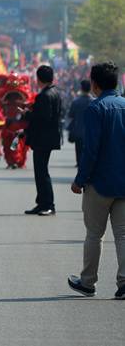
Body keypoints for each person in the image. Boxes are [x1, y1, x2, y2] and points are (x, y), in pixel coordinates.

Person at [67, 62, 125, 300]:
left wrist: (80, 180)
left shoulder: (95, 109)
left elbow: (91, 151)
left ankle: (88, 282)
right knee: (123, 235)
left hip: (99, 184)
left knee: (94, 234)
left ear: (95, 84)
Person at [23, 65, 64, 216]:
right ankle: (41, 203)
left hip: (43, 138)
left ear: (39, 78)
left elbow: (43, 118)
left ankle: (48, 204)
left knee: (41, 172)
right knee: (41, 171)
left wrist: (28, 114)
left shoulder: (45, 95)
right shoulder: (55, 92)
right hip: (49, 137)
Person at [67, 79, 93, 168]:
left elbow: (71, 115)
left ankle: (79, 163)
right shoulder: (94, 102)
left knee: (78, 149)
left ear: (81, 89)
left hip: (78, 129)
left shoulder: (76, 101)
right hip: (91, 131)